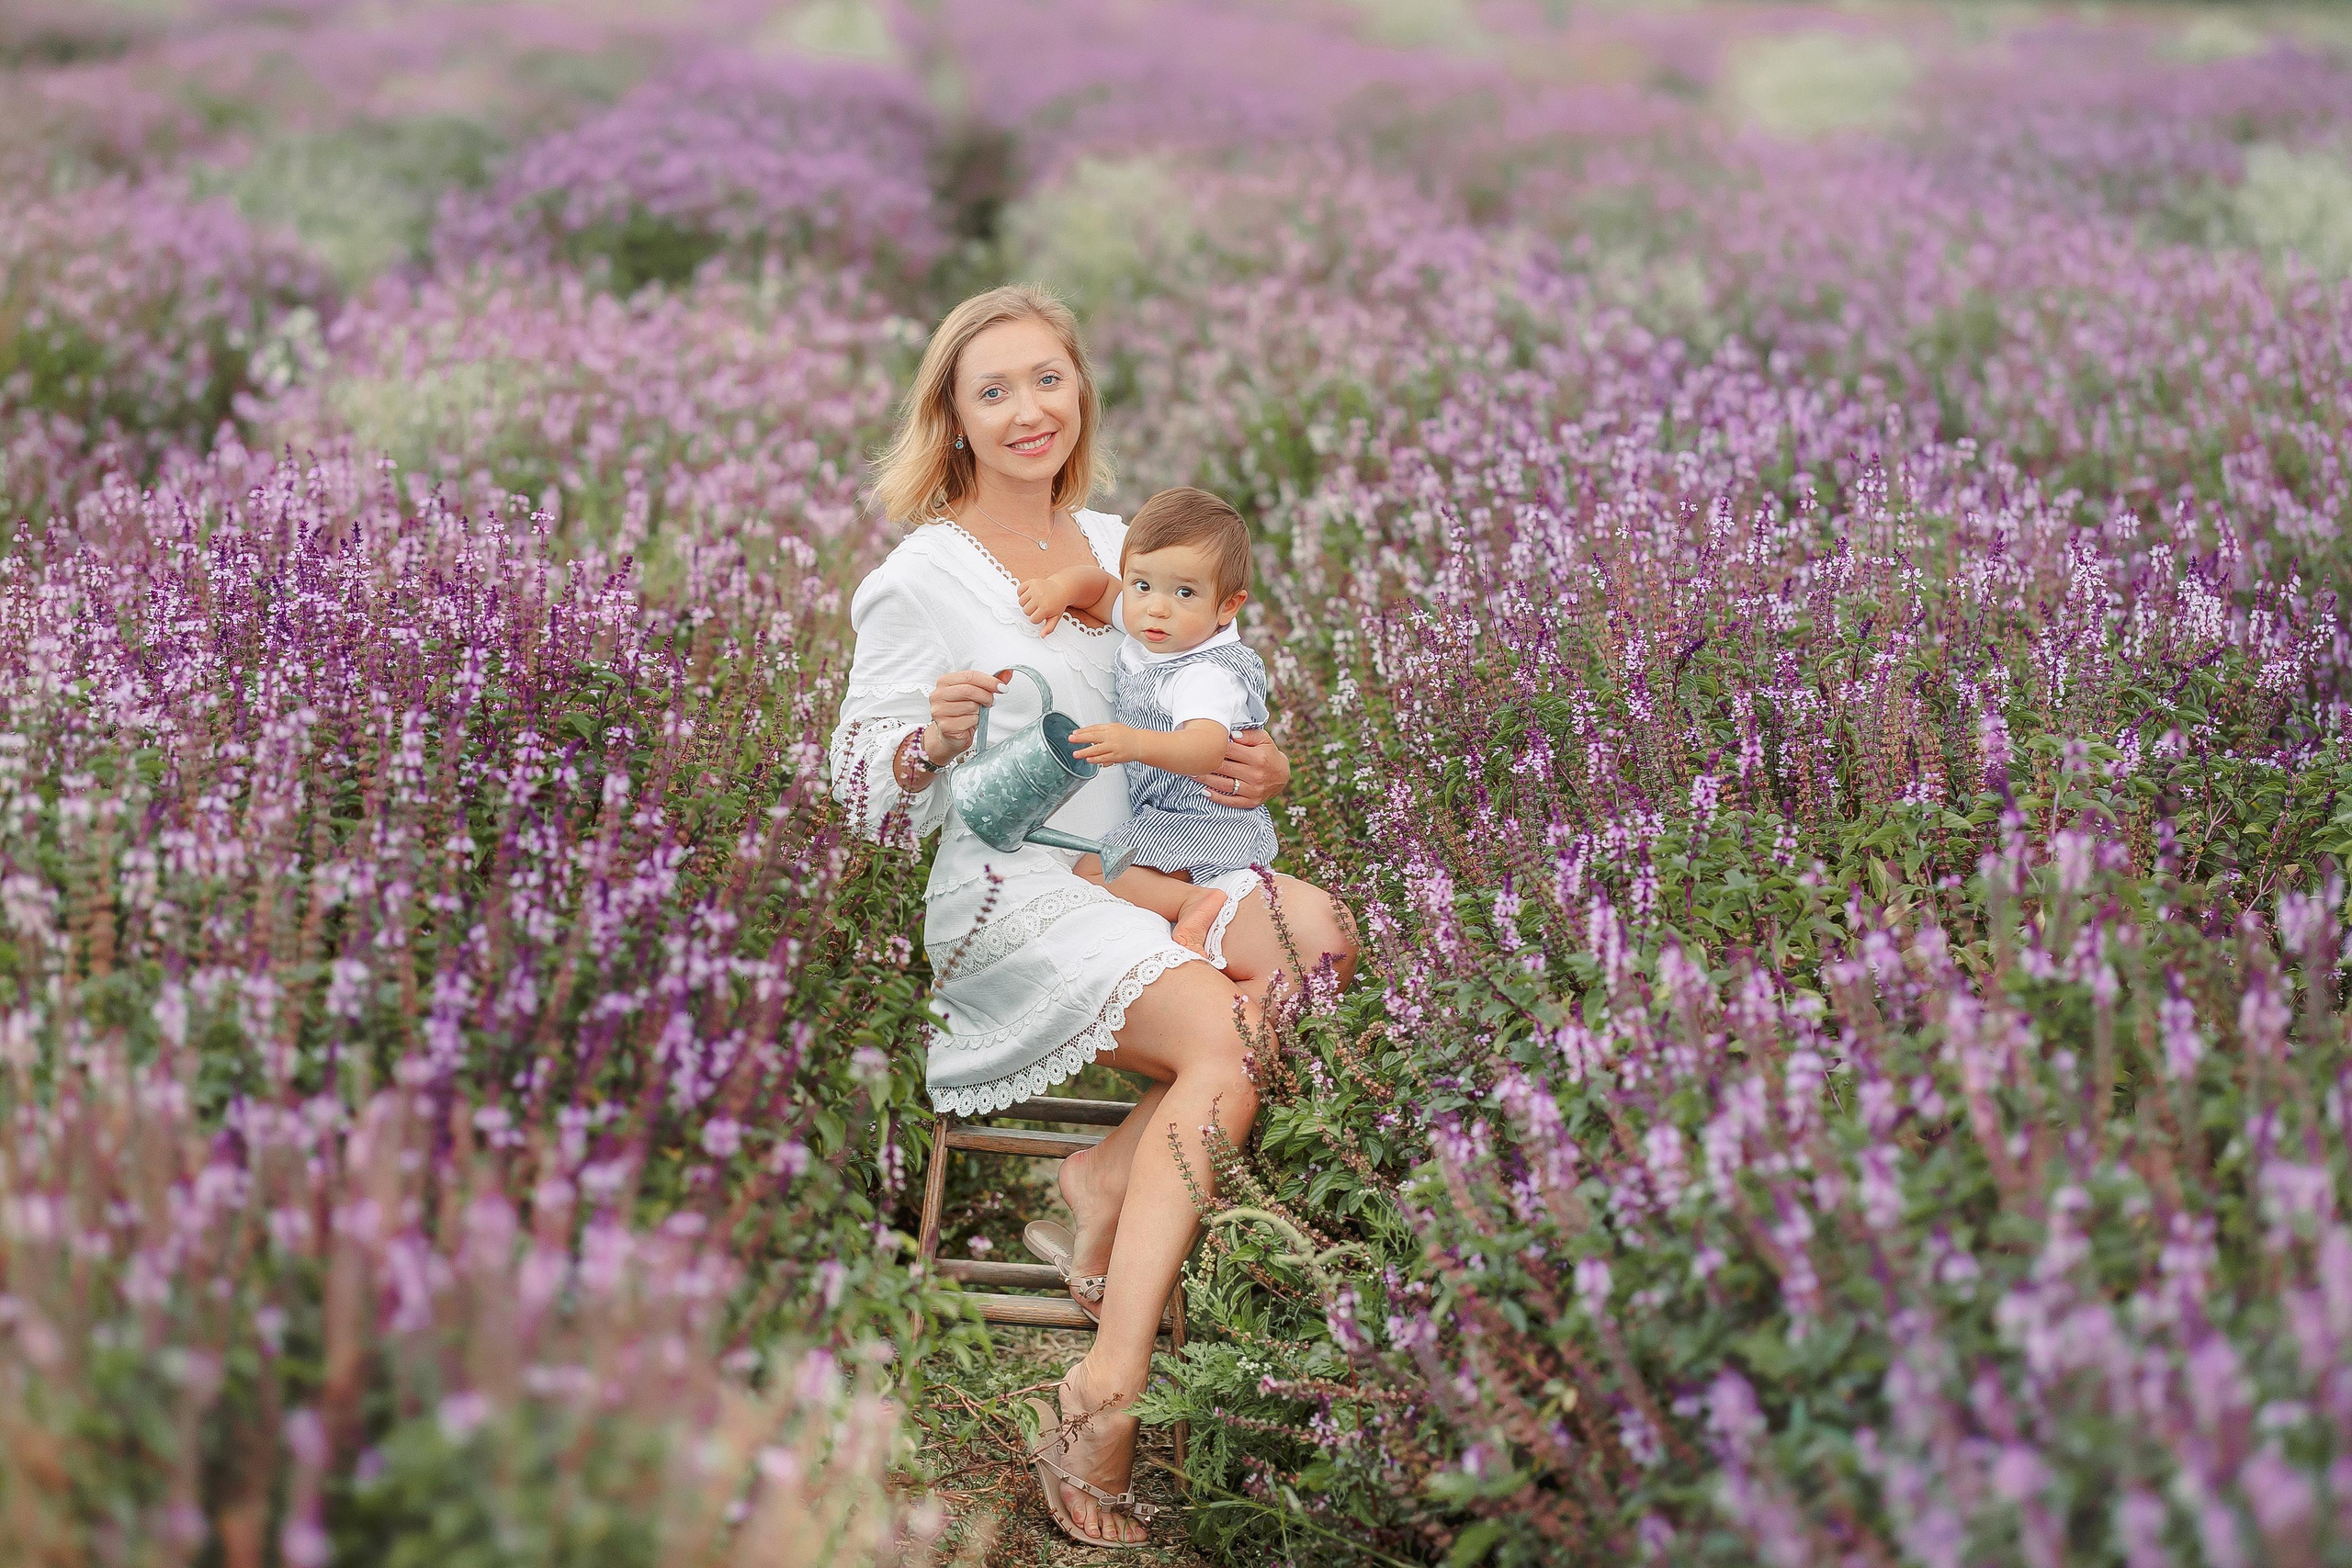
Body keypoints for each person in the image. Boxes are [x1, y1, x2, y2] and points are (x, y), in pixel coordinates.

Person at [828, 284, 1355, 1548]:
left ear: (1080, 390)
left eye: (1047, 379)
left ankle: (1104, 1173)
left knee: (1318, 941)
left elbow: (1206, 696)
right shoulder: (920, 577)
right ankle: (1100, 1398)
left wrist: (1259, 765)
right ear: (952, 417)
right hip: (1017, 887)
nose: (1028, 410)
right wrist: (928, 741)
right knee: (1225, 1042)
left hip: (1146, 864)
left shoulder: (1125, 545)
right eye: (993, 389)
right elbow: (852, 783)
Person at [1014, 485, 1278, 961]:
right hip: (1179, 815)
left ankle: (1194, 902)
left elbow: (1206, 748)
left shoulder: (1203, 673)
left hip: (1203, 818)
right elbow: (1100, 588)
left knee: (1097, 869)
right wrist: (1059, 591)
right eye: (1141, 585)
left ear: (1227, 606)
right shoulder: (1161, 630)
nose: (1156, 607)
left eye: (1184, 592)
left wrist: (1134, 743)